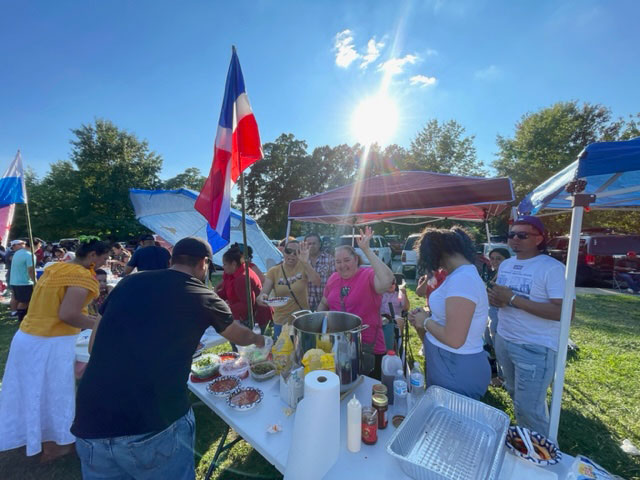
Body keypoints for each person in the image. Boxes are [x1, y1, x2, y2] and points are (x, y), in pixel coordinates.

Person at [71, 237, 264, 480]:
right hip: (153, 422)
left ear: (171, 260)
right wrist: (258, 339)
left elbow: (93, 346)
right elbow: (238, 334)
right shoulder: (202, 295)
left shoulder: (127, 283)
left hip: (91, 420)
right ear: (204, 264)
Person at [0, 239, 109, 461]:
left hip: (27, 337)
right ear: (92, 256)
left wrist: (91, 319)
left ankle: (33, 438)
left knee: (29, 391)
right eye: (104, 258)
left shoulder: (55, 268)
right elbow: (67, 315)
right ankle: (55, 444)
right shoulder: (80, 276)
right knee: (55, 394)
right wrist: (101, 323)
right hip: (51, 341)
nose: (104, 263)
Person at [488, 216, 569, 437]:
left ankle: (541, 455)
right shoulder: (506, 264)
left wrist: (513, 299)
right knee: (515, 393)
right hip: (504, 338)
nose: (515, 239)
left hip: (534, 346)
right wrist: (496, 299)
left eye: (522, 235)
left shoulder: (552, 268)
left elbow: (563, 313)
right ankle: (525, 440)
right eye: (511, 235)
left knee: (529, 408)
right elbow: (501, 297)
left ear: (539, 239)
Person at [408, 227, 491, 400]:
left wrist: (425, 322)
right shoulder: (460, 275)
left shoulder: (463, 279)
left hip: (456, 367)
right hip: (447, 364)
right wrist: (425, 317)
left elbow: (454, 339)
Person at [317, 227, 395, 379]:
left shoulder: (367, 275)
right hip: (336, 346)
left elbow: (387, 281)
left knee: (365, 392)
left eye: (347, 260)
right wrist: (315, 322)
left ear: (356, 259)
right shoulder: (333, 278)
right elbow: (324, 303)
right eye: (338, 261)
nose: (342, 265)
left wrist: (366, 249)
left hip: (367, 348)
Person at [257, 239, 321, 339]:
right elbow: (262, 295)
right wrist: (263, 298)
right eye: (288, 251)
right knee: (282, 353)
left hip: (301, 320)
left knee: (304, 352)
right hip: (281, 322)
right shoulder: (274, 271)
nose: (291, 255)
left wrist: (305, 262)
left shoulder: (303, 267)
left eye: (296, 253)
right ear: (283, 251)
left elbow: (317, 281)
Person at [216, 244, 272, 334]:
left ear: (234, 264)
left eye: (225, 264)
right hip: (242, 317)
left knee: (247, 346)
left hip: (255, 319)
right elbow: (226, 291)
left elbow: (247, 305)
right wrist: (213, 298)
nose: (223, 267)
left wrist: (224, 309)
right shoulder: (233, 273)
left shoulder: (242, 278)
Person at [10, 237, 41, 322]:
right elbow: (31, 271)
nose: (38, 249)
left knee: (21, 300)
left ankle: (23, 318)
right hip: (24, 282)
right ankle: (22, 320)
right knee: (24, 302)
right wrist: (36, 282)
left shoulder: (17, 253)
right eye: (38, 247)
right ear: (33, 245)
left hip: (14, 281)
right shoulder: (30, 255)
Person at [304, 233, 335, 311]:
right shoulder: (301, 261)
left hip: (325, 303)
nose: (311, 246)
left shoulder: (330, 259)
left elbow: (334, 282)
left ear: (319, 244)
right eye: (309, 244)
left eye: (314, 243)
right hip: (305, 303)